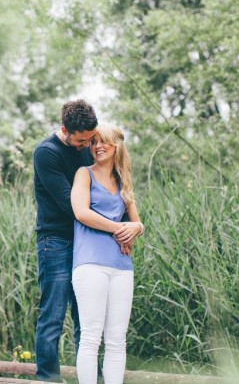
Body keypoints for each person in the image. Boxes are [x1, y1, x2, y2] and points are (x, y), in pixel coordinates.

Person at [70, 125, 143, 384]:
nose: (98, 146)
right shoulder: (84, 174)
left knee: (116, 339)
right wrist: (119, 228)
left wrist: (137, 227)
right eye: (94, 142)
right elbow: (81, 212)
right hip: (90, 264)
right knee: (91, 337)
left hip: (122, 266)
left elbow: (138, 223)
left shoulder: (123, 181)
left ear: (117, 146)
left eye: (104, 142)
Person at [32, 100, 98, 382]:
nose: (87, 146)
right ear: (65, 131)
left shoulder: (89, 147)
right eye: (81, 140)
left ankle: (89, 377)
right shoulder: (47, 153)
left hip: (87, 241)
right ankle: (48, 378)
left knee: (86, 317)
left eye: (90, 139)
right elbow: (70, 205)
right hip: (56, 242)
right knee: (53, 317)